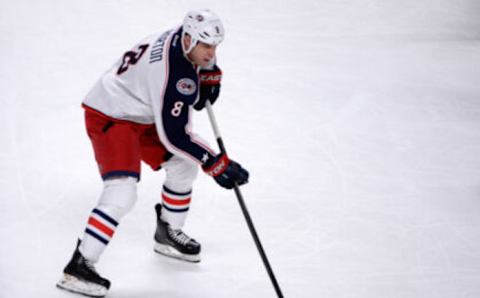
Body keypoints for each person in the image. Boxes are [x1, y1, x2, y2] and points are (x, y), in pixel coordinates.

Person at [56, 9, 249, 298]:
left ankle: (167, 235)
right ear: (188, 39)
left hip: (143, 109)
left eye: (215, 47)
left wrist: (210, 74)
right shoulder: (174, 76)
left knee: (184, 167)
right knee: (122, 192)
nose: (211, 53)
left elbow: (202, 57)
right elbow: (175, 136)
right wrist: (217, 164)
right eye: (206, 47)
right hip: (111, 113)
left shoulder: (186, 38)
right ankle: (79, 266)